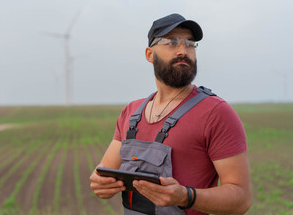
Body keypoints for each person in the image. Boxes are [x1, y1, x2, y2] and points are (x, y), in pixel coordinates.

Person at [90, 13, 251, 215]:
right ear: (149, 54)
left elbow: (241, 199)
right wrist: (100, 184)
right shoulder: (131, 113)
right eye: (172, 43)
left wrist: (185, 196)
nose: (183, 51)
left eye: (190, 44)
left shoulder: (215, 113)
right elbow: (105, 171)